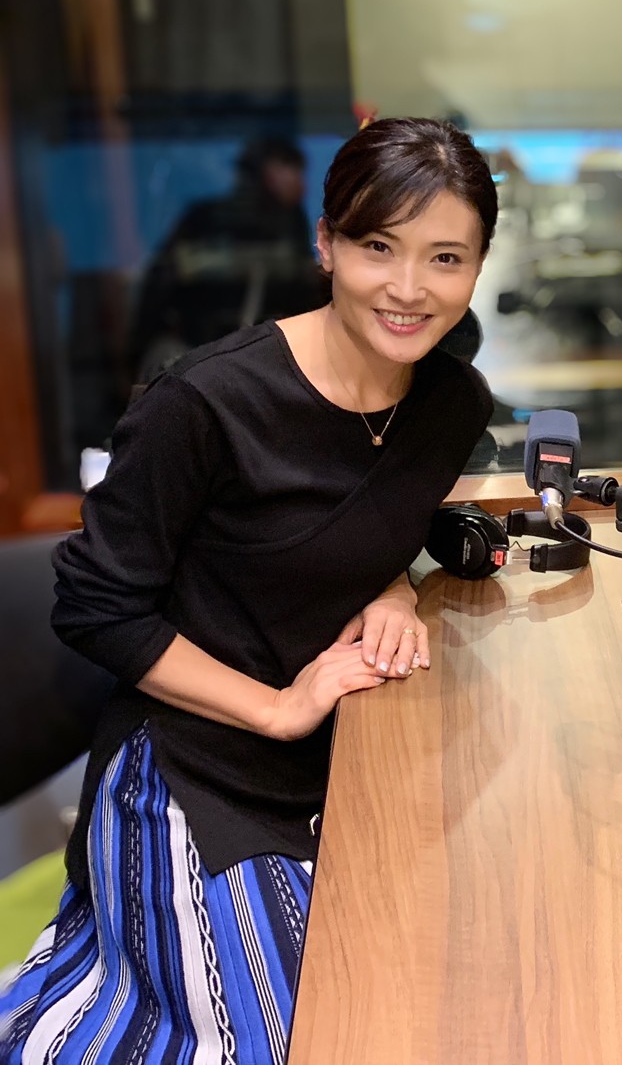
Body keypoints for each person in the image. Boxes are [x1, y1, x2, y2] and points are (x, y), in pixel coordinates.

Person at [0, 117, 497, 1061]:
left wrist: (393, 587)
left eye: (445, 257)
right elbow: (95, 607)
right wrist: (276, 709)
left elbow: (360, 523)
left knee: (431, 986)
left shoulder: (451, 404)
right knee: (296, 1033)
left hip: (336, 764)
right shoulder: (204, 403)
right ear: (326, 243)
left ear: (477, 269)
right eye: (378, 247)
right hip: (190, 770)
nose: (408, 287)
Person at [130, 135, 327, 385]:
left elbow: (300, 291)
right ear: (265, 173)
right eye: (291, 170)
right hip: (199, 357)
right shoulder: (205, 219)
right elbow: (159, 284)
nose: (301, 185)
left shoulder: (292, 223)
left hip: (262, 360)